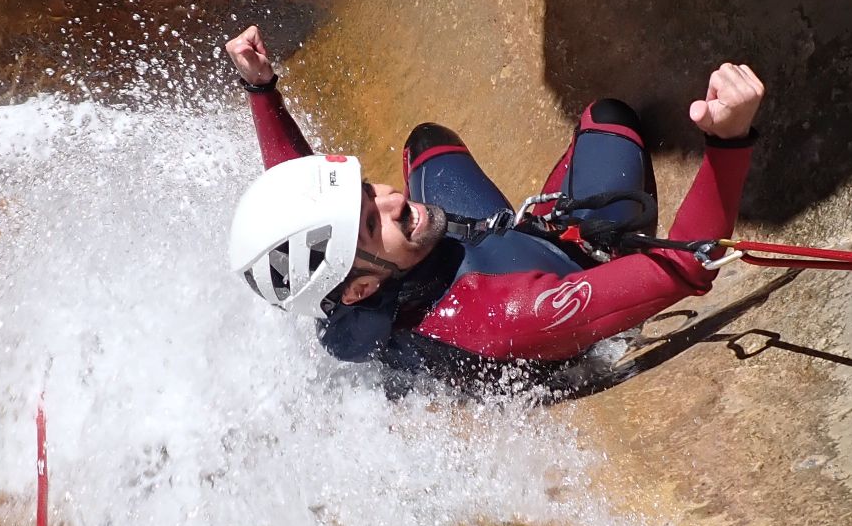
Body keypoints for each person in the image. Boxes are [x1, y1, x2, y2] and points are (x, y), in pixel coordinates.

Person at [225, 24, 762, 381]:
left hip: (460, 263)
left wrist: (262, 91)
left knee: (428, 142)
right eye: (371, 222)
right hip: (552, 283)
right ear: (362, 287)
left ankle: (542, 227)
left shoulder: (340, 292)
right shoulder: (505, 319)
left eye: (368, 189)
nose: (391, 198)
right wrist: (729, 140)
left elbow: (306, 206)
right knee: (610, 118)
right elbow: (691, 265)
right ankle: (576, 241)